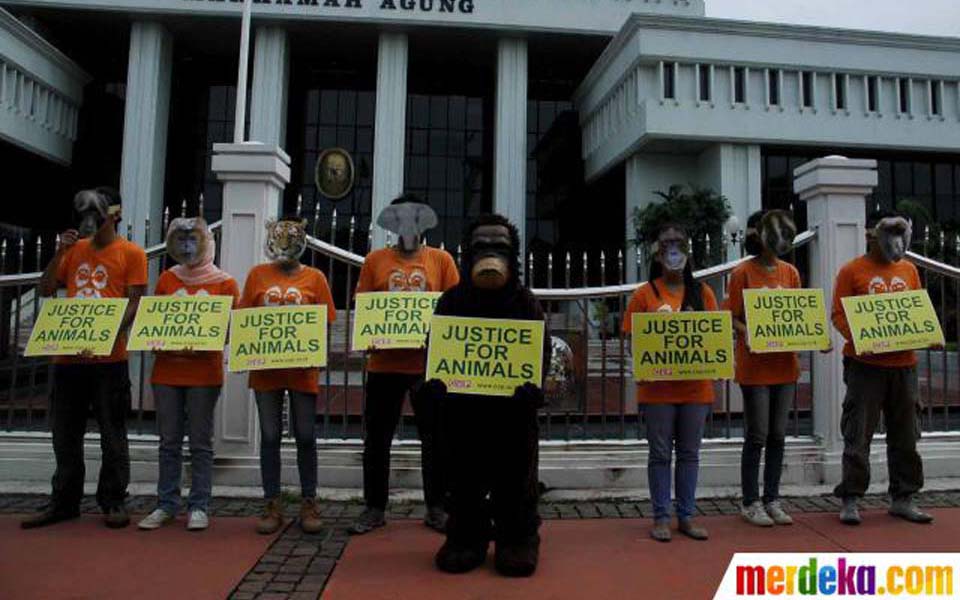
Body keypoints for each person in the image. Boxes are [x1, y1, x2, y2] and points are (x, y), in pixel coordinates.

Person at [22, 188, 147, 530]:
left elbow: (136, 300)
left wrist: (110, 335)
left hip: (109, 362)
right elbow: (47, 289)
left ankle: (113, 500)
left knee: (112, 433)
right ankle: (64, 502)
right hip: (68, 359)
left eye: (99, 215)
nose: (92, 223)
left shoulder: (131, 253)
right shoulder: (73, 250)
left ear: (115, 216)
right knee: (64, 435)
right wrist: (59, 253)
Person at [350, 194, 460, 535]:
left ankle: (437, 507)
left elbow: (453, 307)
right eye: (401, 219)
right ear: (393, 224)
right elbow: (363, 304)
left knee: (436, 437)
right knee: (378, 438)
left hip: (426, 366)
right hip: (384, 364)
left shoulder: (441, 261)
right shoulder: (374, 261)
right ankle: (374, 507)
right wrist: (366, 334)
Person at [831, 211, 934, 526]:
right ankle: (851, 497)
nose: (895, 240)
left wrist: (929, 334)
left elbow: (918, 309)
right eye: (889, 233)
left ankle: (903, 497)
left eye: (899, 233)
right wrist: (859, 337)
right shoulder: (852, 271)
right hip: (866, 366)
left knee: (906, 434)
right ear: (871, 236)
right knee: (858, 432)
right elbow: (838, 314)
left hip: (904, 365)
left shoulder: (909, 270)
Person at [137, 217, 239, 532]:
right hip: (167, 372)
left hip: (203, 374)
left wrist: (203, 339)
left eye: (193, 240)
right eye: (180, 241)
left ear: (206, 242)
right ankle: (166, 504)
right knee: (168, 441)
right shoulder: (168, 279)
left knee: (200, 442)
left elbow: (229, 330)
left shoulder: (225, 283)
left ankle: (199, 504)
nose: (187, 247)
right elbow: (155, 322)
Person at [239, 216, 337, 535]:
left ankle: (309, 501)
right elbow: (243, 319)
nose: (284, 246)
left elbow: (327, 321)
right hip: (266, 372)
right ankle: (272, 502)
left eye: (290, 239)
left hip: (302, 370)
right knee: (270, 437)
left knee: (306, 436)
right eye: (278, 239)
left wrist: (310, 344)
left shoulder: (316, 277)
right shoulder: (256, 275)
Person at [622, 223, 717, 542]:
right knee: (660, 454)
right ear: (657, 254)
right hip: (657, 390)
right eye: (666, 245)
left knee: (690, 453)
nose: (673, 250)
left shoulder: (703, 294)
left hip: (695, 390)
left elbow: (716, 338)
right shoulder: (643, 294)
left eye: (679, 244)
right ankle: (661, 516)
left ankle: (686, 516)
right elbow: (630, 338)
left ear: (689, 252)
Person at [728, 210, 800, 527]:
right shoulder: (742, 273)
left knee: (778, 435)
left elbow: (800, 314)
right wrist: (750, 333)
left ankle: (772, 498)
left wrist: (815, 336)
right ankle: (750, 501)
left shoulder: (791, 273)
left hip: (785, 366)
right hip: (755, 366)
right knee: (757, 434)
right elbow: (730, 316)